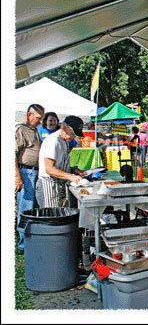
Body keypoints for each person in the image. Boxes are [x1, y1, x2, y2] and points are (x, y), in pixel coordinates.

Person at [35, 116, 85, 208]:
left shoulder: (64, 141)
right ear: (64, 127)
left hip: (57, 185)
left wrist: (73, 170)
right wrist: (70, 176)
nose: (73, 137)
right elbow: (49, 169)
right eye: (72, 133)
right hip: (48, 185)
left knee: (58, 216)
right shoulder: (53, 141)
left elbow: (59, 164)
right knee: (51, 218)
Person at [15, 103, 45, 252]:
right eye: (39, 118)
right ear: (29, 115)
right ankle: (23, 245)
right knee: (25, 209)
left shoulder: (34, 130)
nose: (41, 121)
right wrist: (17, 176)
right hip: (25, 173)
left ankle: (30, 241)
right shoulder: (21, 130)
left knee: (31, 208)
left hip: (34, 172)